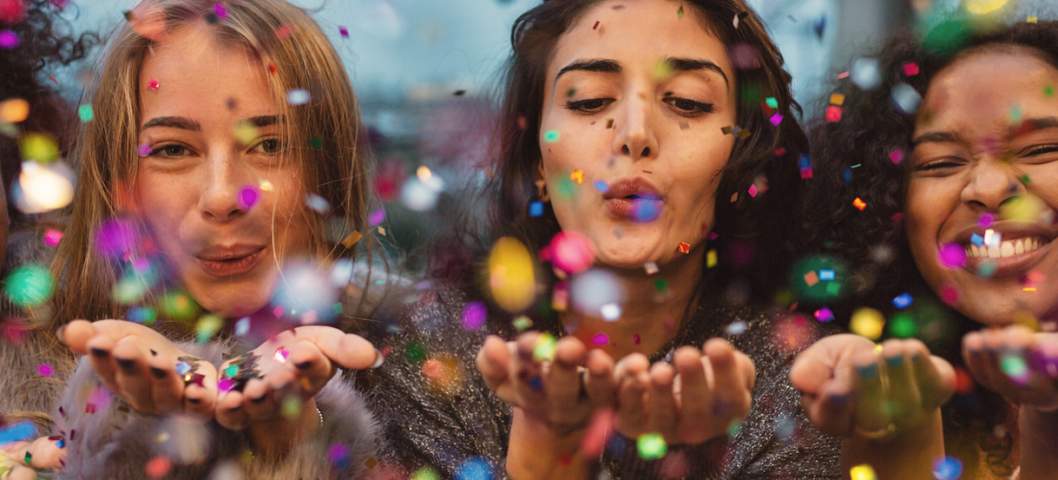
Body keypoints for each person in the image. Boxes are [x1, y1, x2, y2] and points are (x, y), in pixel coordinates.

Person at [361, 1, 841, 478]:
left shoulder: (809, 382)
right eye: (590, 100)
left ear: (743, 156)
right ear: (534, 161)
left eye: (688, 102)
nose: (634, 135)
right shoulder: (436, 353)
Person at [2, 1, 388, 478]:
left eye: (270, 145)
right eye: (173, 149)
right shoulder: (13, 403)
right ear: (118, 181)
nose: (223, 196)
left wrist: (298, 440)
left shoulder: (423, 381)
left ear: (328, 170)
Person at [793, 17, 1058, 480]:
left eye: (1041, 149)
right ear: (889, 207)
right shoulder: (834, 411)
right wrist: (896, 440)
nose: (990, 188)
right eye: (942, 162)